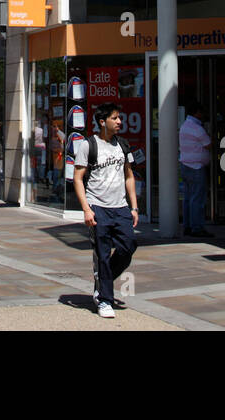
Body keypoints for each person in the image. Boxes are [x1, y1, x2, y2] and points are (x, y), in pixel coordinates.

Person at [72, 103, 138, 319]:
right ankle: (105, 301)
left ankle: (102, 282)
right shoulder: (88, 145)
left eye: (119, 118)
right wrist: (86, 209)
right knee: (102, 254)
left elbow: (129, 176)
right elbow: (78, 178)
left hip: (120, 208)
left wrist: (134, 207)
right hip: (97, 207)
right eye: (115, 118)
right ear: (103, 122)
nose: (119, 122)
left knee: (128, 247)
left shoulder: (123, 145)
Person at [179, 106, 213, 238]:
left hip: (185, 165)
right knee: (197, 199)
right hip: (196, 167)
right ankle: (197, 227)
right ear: (197, 112)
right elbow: (208, 144)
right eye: (201, 111)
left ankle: (187, 226)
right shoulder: (197, 128)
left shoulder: (184, 126)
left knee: (188, 198)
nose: (203, 114)